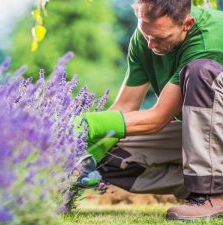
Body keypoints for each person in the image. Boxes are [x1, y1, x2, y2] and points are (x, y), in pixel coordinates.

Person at [73, 0, 223, 220]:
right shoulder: (148, 37)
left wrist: (89, 123)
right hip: (209, 137)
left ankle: (213, 195)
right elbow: (124, 107)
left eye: (160, 38)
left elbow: (159, 117)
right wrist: (89, 152)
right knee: (112, 157)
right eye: (146, 34)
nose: (151, 45)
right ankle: (199, 188)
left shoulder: (210, 39)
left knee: (201, 72)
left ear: (187, 24)